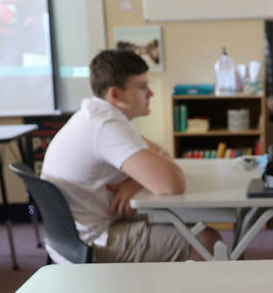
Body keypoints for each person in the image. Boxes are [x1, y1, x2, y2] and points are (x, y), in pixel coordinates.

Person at [41, 49, 222, 263]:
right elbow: (172, 184)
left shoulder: (97, 115)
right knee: (206, 240)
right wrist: (143, 177)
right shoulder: (106, 126)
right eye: (142, 87)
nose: (151, 93)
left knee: (183, 221)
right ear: (115, 94)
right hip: (95, 243)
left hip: (76, 237)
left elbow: (162, 155)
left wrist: (135, 182)